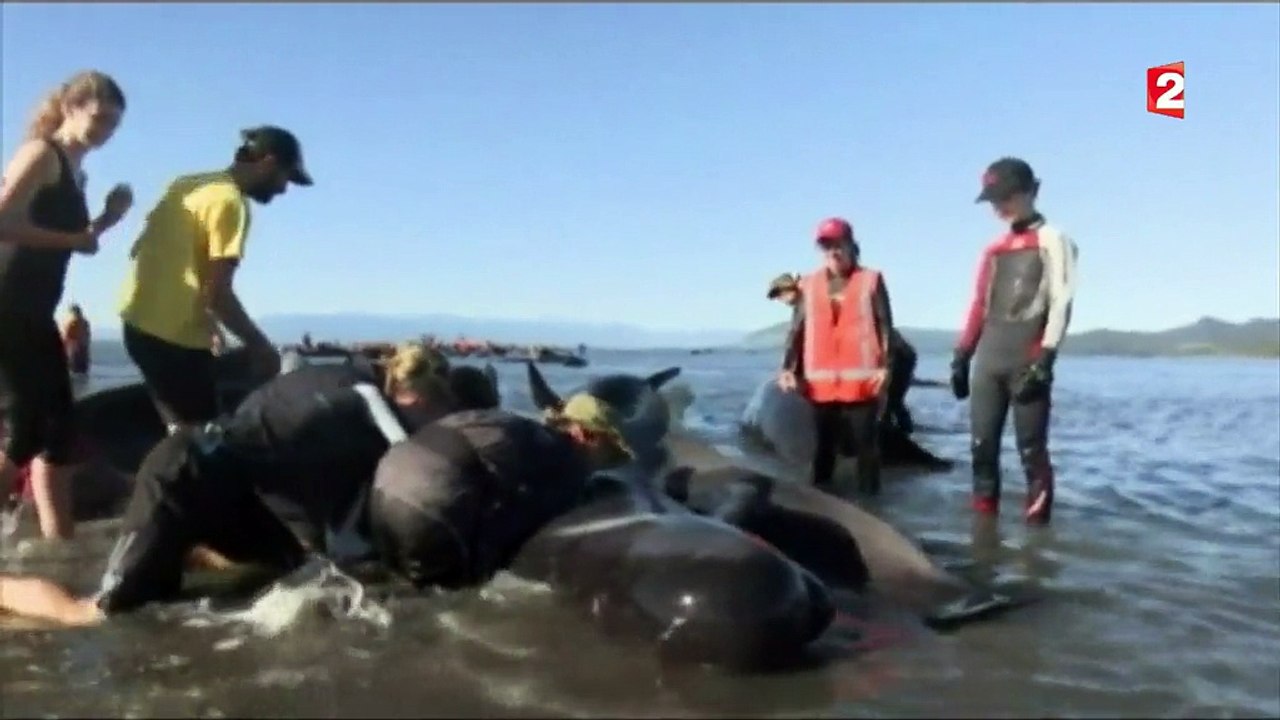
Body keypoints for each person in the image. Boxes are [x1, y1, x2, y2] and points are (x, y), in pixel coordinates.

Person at [0, 342, 458, 626]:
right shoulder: (365, 399)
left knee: (289, 566)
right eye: (440, 418)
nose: (436, 429)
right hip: (184, 477)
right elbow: (408, 453)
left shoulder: (348, 386)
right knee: (101, 617)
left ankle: (182, 550)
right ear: (417, 396)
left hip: (236, 490)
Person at [0, 70, 133, 541]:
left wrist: (107, 220)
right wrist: (75, 236)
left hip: (35, 309)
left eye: (113, 126)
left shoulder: (76, 170)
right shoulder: (41, 154)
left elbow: (82, 245)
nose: (104, 133)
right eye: (98, 119)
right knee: (24, 433)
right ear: (70, 108)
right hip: (7, 303)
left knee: (58, 437)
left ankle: (60, 547)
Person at [118, 125, 314, 434]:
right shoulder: (230, 203)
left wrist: (209, 323)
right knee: (203, 441)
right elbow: (218, 293)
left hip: (138, 326)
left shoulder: (189, 185)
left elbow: (156, 254)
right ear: (268, 162)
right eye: (285, 177)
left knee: (181, 431)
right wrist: (260, 346)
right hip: (173, 339)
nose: (283, 188)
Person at [370, 391, 634, 590]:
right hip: (431, 499)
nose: (603, 464)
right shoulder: (566, 458)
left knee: (392, 586)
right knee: (439, 608)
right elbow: (539, 528)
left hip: (386, 481)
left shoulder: (510, 423)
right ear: (585, 434)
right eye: (609, 452)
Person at [950, 157, 1079, 525]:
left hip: (1028, 358)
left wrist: (1046, 358)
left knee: (1031, 451)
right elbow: (978, 304)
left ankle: (1036, 549)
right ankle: (984, 543)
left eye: (1005, 197)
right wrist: (962, 354)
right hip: (988, 361)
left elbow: (1062, 300)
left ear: (1030, 192)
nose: (998, 206)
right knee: (981, 449)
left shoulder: (1054, 239)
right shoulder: (993, 249)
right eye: (993, 199)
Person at [777, 217, 895, 496]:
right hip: (821, 386)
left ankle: (872, 507)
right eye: (826, 246)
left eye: (838, 244)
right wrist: (787, 368)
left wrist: (887, 367)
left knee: (867, 450)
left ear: (851, 245)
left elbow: (885, 324)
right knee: (822, 450)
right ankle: (822, 502)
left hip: (862, 384)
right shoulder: (809, 284)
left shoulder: (871, 280)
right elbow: (797, 329)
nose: (833, 251)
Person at [61, 303, 92, 376]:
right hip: (84, 350)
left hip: (74, 350)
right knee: (83, 373)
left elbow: (66, 337)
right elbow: (88, 336)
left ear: (73, 312)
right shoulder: (85, 322)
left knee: (74, 373)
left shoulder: (72, 323)